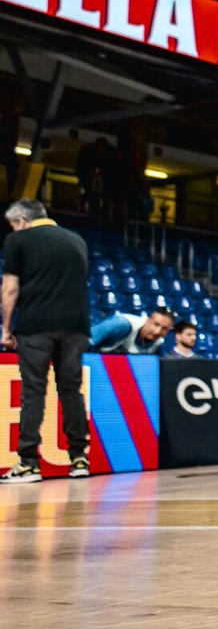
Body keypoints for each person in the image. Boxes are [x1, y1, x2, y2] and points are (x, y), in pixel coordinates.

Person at [0, 200, 91, 482]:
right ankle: (79, 459)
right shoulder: (77, 240)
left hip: (37, 325)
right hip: (76, 327)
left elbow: (10, 288)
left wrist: (6, 329)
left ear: (21, 221)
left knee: (34, 392)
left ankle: (28, 463)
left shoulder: (18, 240)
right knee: (71, 390)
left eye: (13, 225)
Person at [90, 306, 175, 354]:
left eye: (164, 329)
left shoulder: (157, 343)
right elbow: (87, 340)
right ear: (148, 320)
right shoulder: (122, 324)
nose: (157, 331)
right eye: (156, 324)